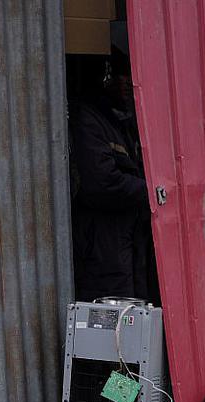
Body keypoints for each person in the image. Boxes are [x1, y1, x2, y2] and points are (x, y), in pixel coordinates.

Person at [69, 52, 159, 304]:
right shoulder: (88, 118)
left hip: (126, 242)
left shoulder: (121, 120)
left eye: (129, 75)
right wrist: (150, 190)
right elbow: (101, 183)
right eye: (119, 75)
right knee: (111, 313)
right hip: (102, 244)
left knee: (133, 310)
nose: (127, 82)